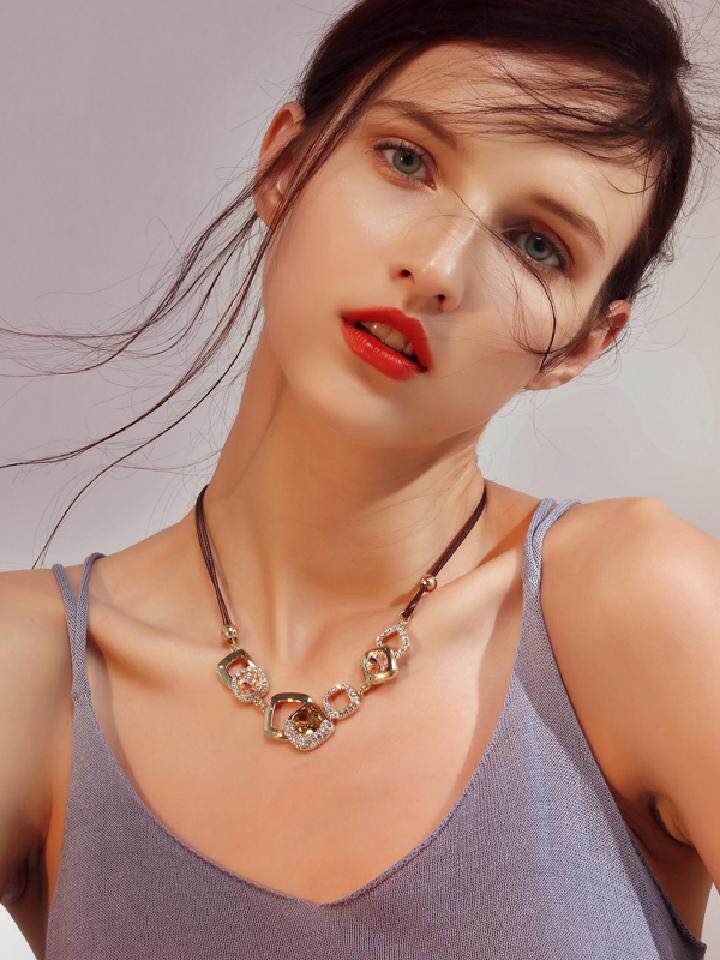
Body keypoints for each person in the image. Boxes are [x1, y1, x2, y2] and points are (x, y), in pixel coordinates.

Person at [1, 0, 718, 956]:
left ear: (583, 345)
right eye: (408, 160)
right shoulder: (30, 674)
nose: (437, 268)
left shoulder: (641, 605)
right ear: (286, 165)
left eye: (537, 244)